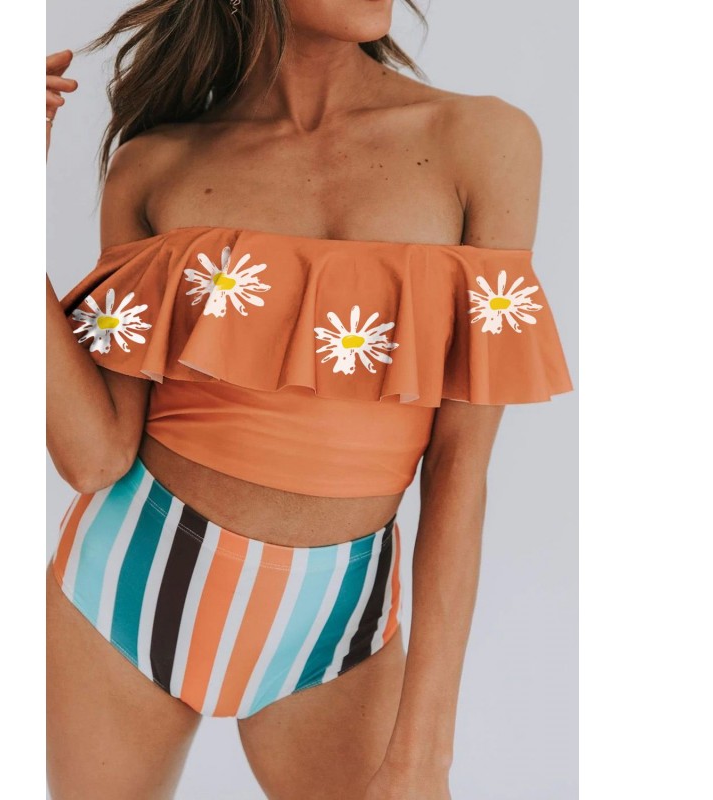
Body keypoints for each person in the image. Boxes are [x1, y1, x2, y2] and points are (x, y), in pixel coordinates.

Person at [45, 1, 573, 798]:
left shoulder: (484, 140)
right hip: (124, 582)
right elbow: (94, 456)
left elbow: (460, 466)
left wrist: (424, 757)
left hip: (336, 625)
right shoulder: (154, 165)